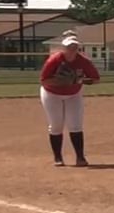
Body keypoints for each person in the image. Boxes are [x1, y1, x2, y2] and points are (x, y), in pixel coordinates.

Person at [39, 35, 100, 167]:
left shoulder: (83, 61)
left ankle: (80, 157)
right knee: (56, 125)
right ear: (63, 48)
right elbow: (44, 80)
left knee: (75, 125)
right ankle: (58, 157)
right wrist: (59, 81)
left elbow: (96, 79)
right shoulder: (54, 60)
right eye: (69, 47)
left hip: (73, 94)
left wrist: (78, 80)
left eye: (75, 47)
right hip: (52, 94)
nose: (72, 49)